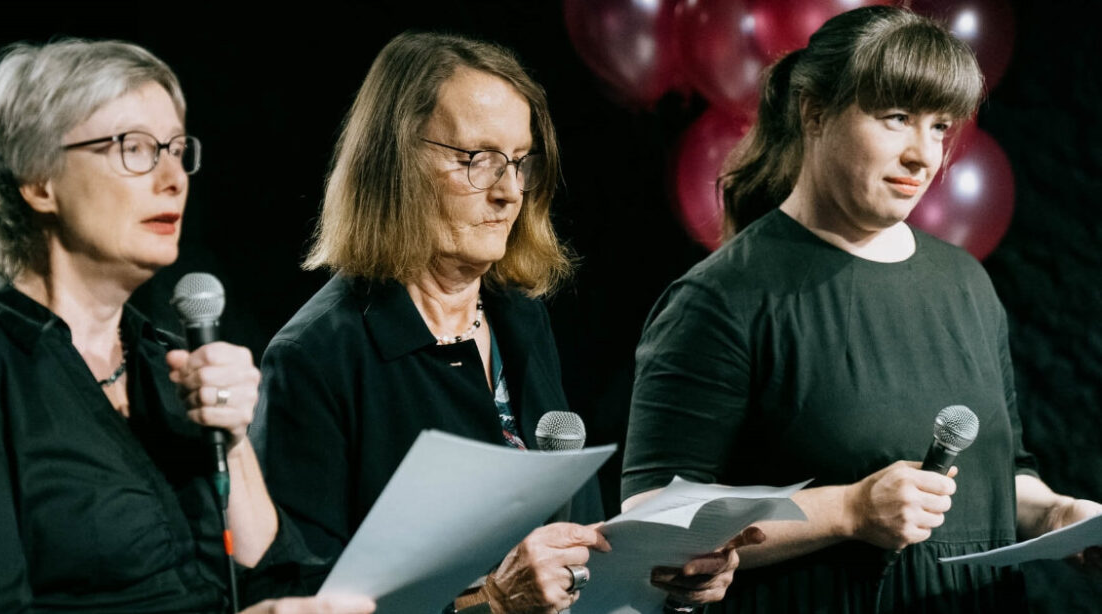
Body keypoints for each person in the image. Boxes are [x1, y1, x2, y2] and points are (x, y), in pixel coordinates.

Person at [620, 5, 1102, 614]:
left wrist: (1063, 515)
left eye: (939, 126)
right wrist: (847, 510)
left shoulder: (965, 283)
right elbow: (650, 522)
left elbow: (999, 480)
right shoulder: (723, 299)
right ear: (813, 112)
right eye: (897, 118)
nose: (923, 156)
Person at [252, 31, 753, 613]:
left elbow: (574, 542)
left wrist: (665, 580)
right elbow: (298, 600)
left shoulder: (519, 317)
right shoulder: (317, 356)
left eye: (520, 163)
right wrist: (491, 603)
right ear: (395, 162)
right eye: (479, 160)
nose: (510, 192)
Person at [0, 39, 374, 614]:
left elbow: (272, 581)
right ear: (38, 181)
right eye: (134, 149)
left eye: (175, 149)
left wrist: (234, 441)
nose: (173, 178)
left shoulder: (170, 364)